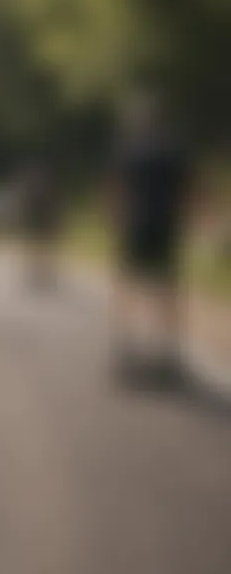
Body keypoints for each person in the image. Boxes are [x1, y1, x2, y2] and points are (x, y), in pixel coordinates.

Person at [110, 95, 194, 383]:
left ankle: (126, 348)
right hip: (164, 227)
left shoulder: (129, 151)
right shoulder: (173, 151)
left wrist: (117, 219)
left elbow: (119, 191)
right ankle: (167, 351)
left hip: (137, 225)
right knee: (165, 288)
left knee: (129, 285)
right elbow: (185, 193)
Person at [20, 157, 62, 290]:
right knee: (38, 246)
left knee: (42, 246)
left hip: (43, 220)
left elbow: (53, 207)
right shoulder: (36, 193)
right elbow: (28, 208)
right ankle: (38, 271)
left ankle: (43, 272)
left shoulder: (44, 192)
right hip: (39, 220)